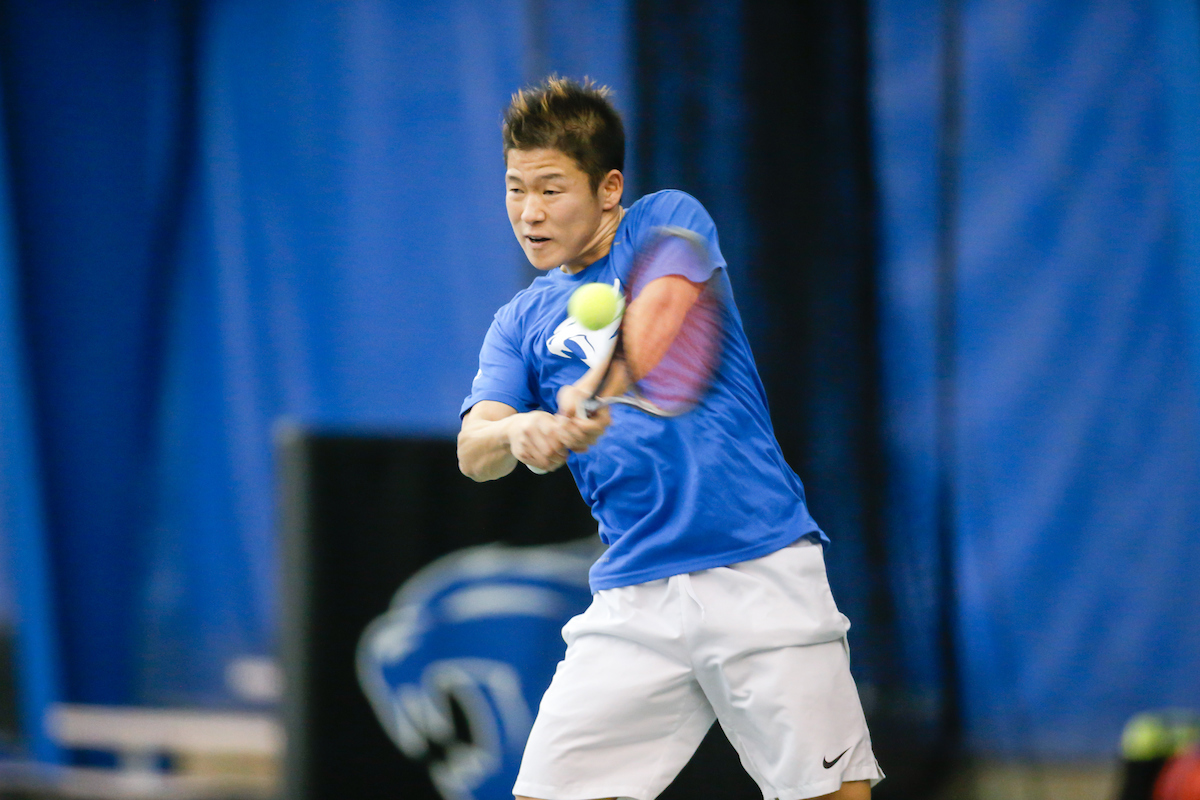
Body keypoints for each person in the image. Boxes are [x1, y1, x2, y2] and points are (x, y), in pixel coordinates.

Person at [457, 76, 883, 800]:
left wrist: (593, 389)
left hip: (757, 569)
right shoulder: (517, 322)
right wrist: (524, 429)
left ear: (609, 187)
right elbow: (475, 448)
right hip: (635, 591)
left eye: (551, 188)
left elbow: (659, 319)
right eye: (515, 188)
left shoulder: (665, 222)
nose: (529, 213)